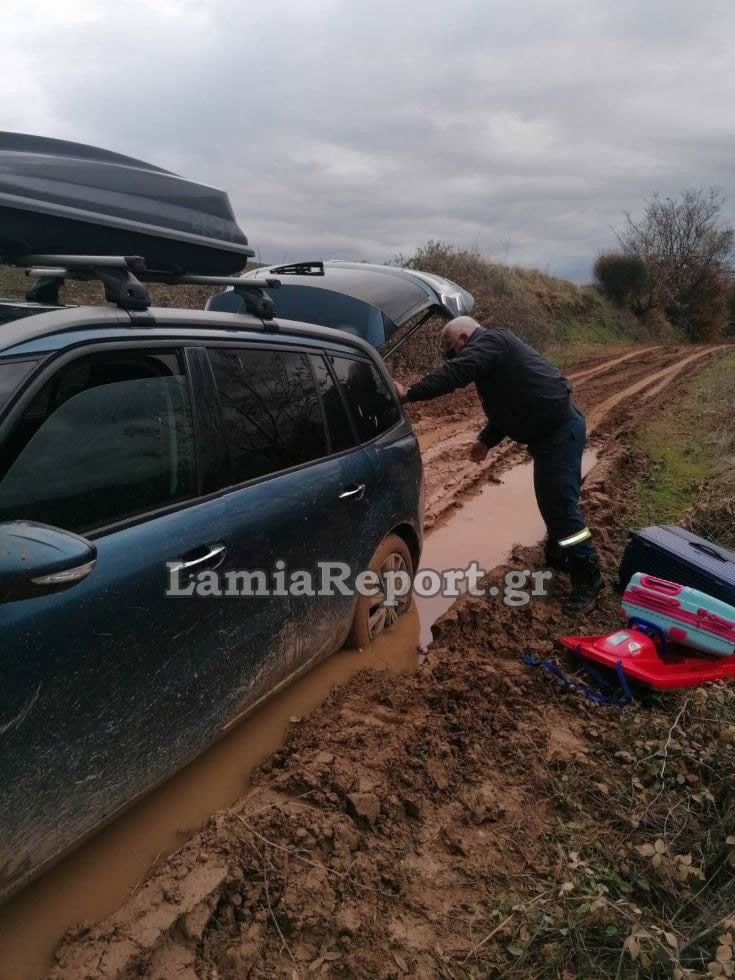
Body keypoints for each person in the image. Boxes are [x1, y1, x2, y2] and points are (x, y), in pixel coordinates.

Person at [394, 315, 604, 614]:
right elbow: (510, 406)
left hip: (560, 433)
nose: (452, 354)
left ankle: (589, 576)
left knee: (560, 507)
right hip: (551, 437)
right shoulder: (494, 357)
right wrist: (486, 441)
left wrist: (410, 394)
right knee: (552, 502)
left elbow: (456, 372)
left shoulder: (492, 341)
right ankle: (560, 554)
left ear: (465, 339)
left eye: (451, 347)